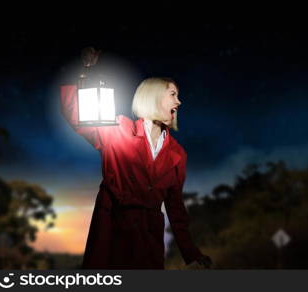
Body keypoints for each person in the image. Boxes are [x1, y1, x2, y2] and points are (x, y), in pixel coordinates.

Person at [60, 53, 212, 269]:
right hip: (112, 229)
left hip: (149, 238)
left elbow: (176, 208)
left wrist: (191, 253)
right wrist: (85, 73)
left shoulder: (178, 154)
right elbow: (74, 114)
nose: (179, 101)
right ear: (153, 96)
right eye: (173, 94)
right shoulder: (117, 129)